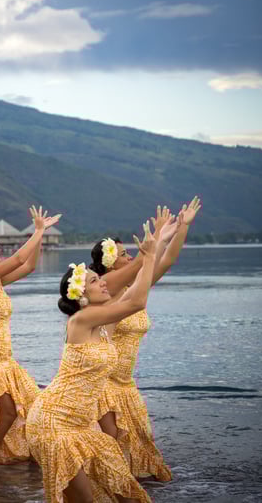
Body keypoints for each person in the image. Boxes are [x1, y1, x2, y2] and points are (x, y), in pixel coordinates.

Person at [25, 221, 176, 503]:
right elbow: (136, 303)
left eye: (99, 278)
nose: (104, 282)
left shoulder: (103, 324)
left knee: (126, 492)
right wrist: (149, 256)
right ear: (80, 294)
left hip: (80, 426)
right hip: (54, 423)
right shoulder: (82, 319)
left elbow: (133, 294)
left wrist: (159, 242)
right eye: (94, 281)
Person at [92, 197, 200, 481]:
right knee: (114, 446)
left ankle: (123, 489)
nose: (129, 256)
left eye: (128, 252)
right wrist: (159, 235)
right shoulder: (105, 288)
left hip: (126, 383)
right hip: (105, 381)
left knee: (139, 444)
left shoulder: (135, 287)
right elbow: (146, 258)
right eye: (122, 254)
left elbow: (167, 260)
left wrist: (182, 228)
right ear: (108, 263)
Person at [0, 206, 60, 464]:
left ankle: (1, 457)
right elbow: (17, 259)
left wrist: (39, 235)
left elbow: (29, 266)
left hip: (2, 356)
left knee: (31, 403)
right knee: (6, 412)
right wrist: (38, 230)